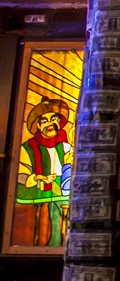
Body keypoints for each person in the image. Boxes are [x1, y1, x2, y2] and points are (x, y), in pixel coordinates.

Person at [17, 99, 73, 247]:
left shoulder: (66, 146)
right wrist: (36, 178)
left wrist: (68, 164)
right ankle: (55, 240)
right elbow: (21, 175)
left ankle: (62, 240)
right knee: (54, 204)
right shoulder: (28, 148)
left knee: (60, 202)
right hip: (39, 189)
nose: (50, 124)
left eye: (54, 119)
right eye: (45, 121)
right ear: (38, 125)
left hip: (62, 188)